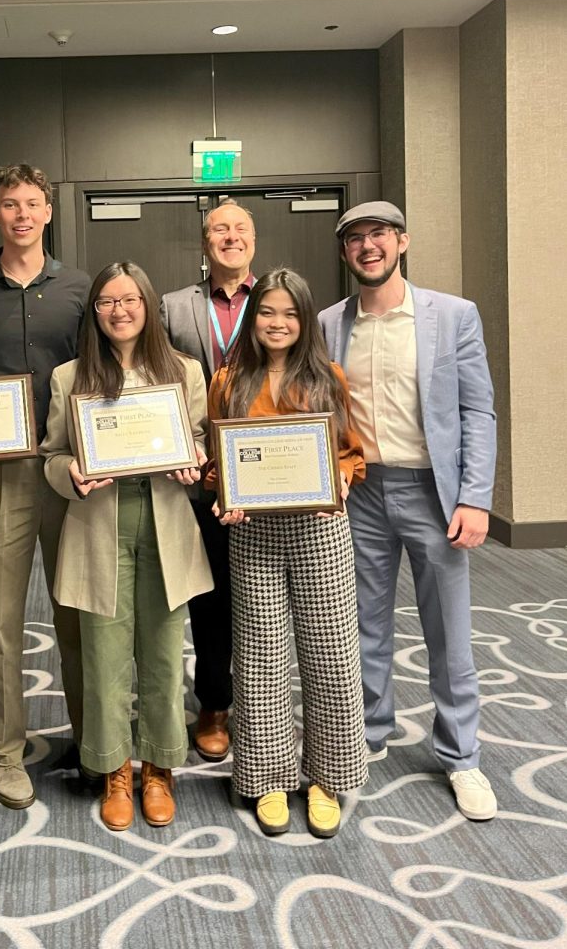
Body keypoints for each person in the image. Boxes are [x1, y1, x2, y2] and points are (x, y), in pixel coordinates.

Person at [319, 201, 498, 821]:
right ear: (345, 253)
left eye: (379, 235)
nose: (368, 247)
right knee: (359, 624)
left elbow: (478, 412)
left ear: (402, 242)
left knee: (448, 630)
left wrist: (476, 496)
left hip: (433, 492)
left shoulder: (452, 316)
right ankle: (367, 736)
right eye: (355, 239)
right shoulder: (327, 324)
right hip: (360, 492)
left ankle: (461, 754)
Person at [42, 262, 213, 831]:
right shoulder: (70, 378)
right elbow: (52, 458)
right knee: (105, 656)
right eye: (108, 302)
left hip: (164, 518)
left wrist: (196, 464)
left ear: (148, 306)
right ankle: (115, 768)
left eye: (131, 300)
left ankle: (160, 768)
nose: (120, 311)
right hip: (99, 523)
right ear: (95, 312)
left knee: (164, 652)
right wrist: (73, 475)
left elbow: (198, 439)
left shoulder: (184, 371)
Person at [0, 164, 90, 809]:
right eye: (10, 204)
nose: (22, 214)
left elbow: (101, 374)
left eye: (33, 203)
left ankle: (97, 743)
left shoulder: (81, 287)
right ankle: (4, 753)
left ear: (48, 213)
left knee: (80, 612)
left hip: (69, 467)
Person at [209, 267, 367, 838]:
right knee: (259, 657)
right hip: (253, 532)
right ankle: (268, 776)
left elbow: (351, 452)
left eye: (290, 314)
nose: (278, 324)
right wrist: (222, 491)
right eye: (268, 313)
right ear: (254, 320)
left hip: (320, 528)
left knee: (330, 653)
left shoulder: (329, 377)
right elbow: (214, 458)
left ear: (305, 321)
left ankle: (328, 775)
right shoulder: (228, 380)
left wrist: (344, 478)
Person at [159, 200, 257, 761]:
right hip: (198, 475)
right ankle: (214, 705)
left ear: (254, 242)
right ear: (204, 244)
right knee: (212, 596)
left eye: (240, 229)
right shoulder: (174, 307)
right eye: (219, 229)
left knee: (266, 597)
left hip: (268, 475)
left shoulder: (280, 299)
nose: (230, 237)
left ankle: (261, 702)